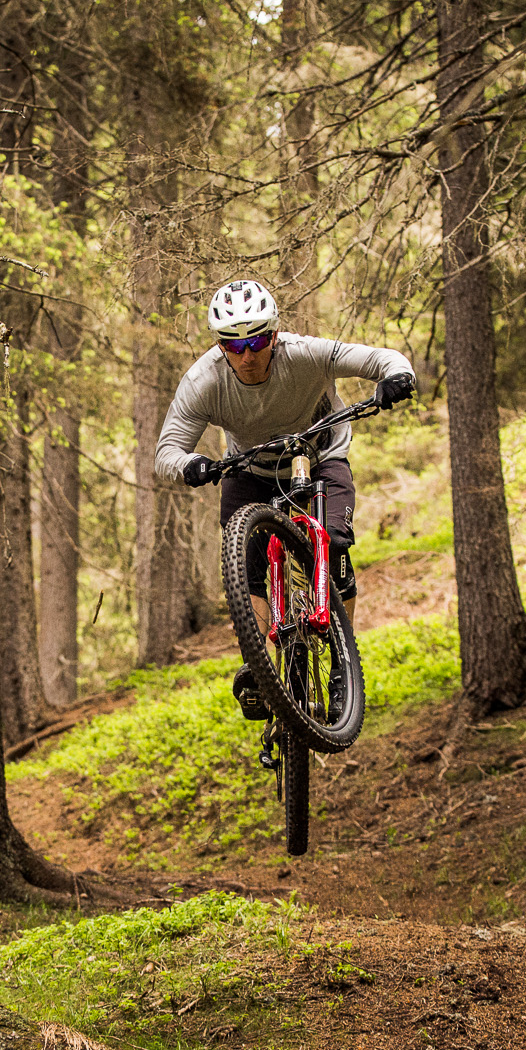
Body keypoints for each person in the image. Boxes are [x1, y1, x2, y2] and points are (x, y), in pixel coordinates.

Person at [156, 278, 416, 720]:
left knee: (332, 543)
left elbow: (380, 358)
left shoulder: (305, 352)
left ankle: (341, 667)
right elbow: (166, 451)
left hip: (319, 457)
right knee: (248, 567)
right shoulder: (203, 380)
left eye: (256, 340)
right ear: (220, 346)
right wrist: (191, 465)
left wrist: (397, 376)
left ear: (274, 334)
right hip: (249, 468)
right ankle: (258, 669)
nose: (247, 355)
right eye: (233, 346)